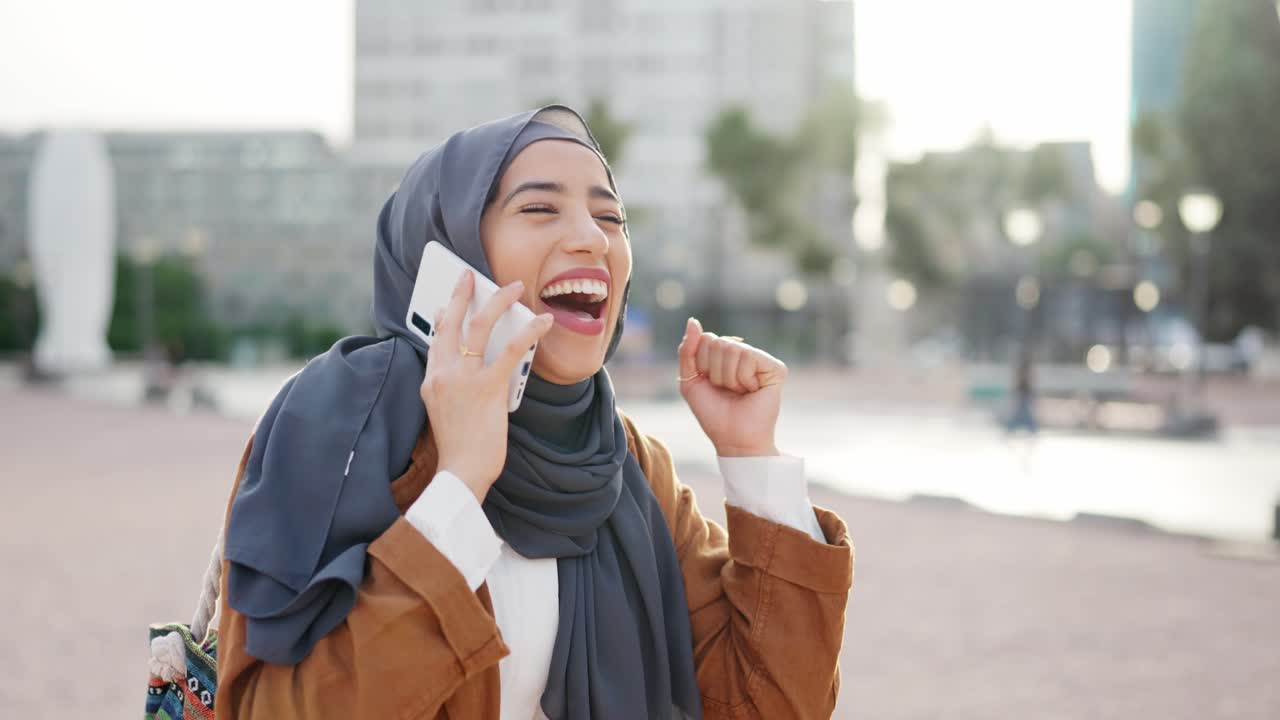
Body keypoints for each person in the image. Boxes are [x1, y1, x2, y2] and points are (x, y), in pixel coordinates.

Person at [214, 106, 853, 720]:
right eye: (540, 207)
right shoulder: (340, 432)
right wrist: (459, 485)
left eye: (611, 217)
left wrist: (752, 458)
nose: (590, 239)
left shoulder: (626, 466)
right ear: (450, 252)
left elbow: (771, 706)